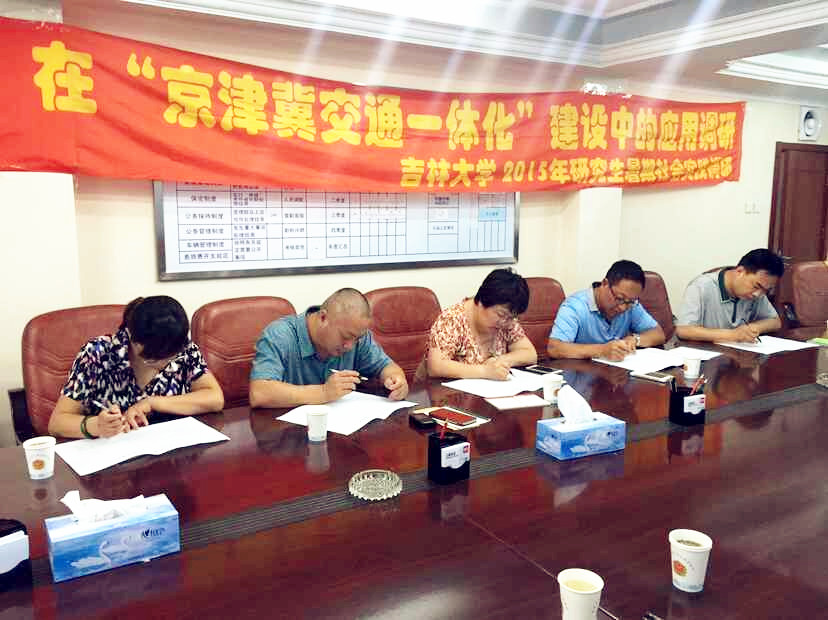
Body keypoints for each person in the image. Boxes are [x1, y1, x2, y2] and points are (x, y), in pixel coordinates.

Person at [48, 296, 225, 439]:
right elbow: (57, 423)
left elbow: (214, 398)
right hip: (113, 457)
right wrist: (96, 426)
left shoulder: (184, 350)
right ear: (131, 337)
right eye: (152, 360)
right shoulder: (98, 353)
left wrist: (153, 402)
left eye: (170, 358)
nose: (164, 367)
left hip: (170, 452)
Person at [248, 288, 408, 407]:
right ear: (323, 317)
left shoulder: (357, 336)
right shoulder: (280, 335)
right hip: (287, 435)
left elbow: (387, 367)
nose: (350, 346)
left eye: (356, 339)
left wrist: (396, 380)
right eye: (345, 337)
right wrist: (324, 392)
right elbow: (260, 393)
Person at [417, 268, 537, 381]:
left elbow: (529, 353)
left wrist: (501, 361)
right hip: (444, 392)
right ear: (480, 302)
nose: (505, 322)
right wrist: (484, 371)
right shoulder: (452, 319)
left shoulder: (507, 321)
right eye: (500, 314)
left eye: (511, 317)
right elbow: (436, 366)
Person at [547, 260, 665, 361]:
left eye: (630, 301)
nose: (623, 307)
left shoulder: (631, 305)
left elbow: (658, 334)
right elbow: (554, 348)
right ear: (605, 284)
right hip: (581, 376)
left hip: (616, 373)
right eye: (619, 298)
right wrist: (602, 350)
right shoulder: (575, 306)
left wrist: (635, 339)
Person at [675, 249, 784, 343]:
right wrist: (732, 335)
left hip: (738, 354)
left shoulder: (758, 293)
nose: (758, 294)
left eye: (766, 290)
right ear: (740, 271)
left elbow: (775, 321)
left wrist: (752, 328)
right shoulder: (701, 286)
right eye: (756, 286)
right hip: (705, 355)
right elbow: (683, 330)